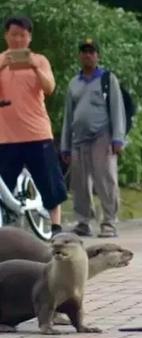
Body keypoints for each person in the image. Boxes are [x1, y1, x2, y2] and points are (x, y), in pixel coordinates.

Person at [0, 16, 66, 236]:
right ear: (6, 36)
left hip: (37, 134)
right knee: (3, 186)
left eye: (22, 35)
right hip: (7, 137)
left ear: (29, 37)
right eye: (13, 34)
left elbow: (49, 88)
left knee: (50, 184)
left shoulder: (40, 60)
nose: (18, 39)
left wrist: (34, 67)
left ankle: (56, 227)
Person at [60, 38, 126, 238]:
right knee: (79, 183)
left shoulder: (108, 79)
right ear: (80, 55)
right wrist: (65, 145)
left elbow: (117, 109)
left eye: (91, 51)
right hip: (78, 139)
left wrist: (118, 138)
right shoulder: (74, 83)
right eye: (84, 51)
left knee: (105, 179)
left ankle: (109, 221)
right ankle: (83, 221)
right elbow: (68, 116)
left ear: (97, 55)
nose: (87, 55)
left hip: (102, 136)